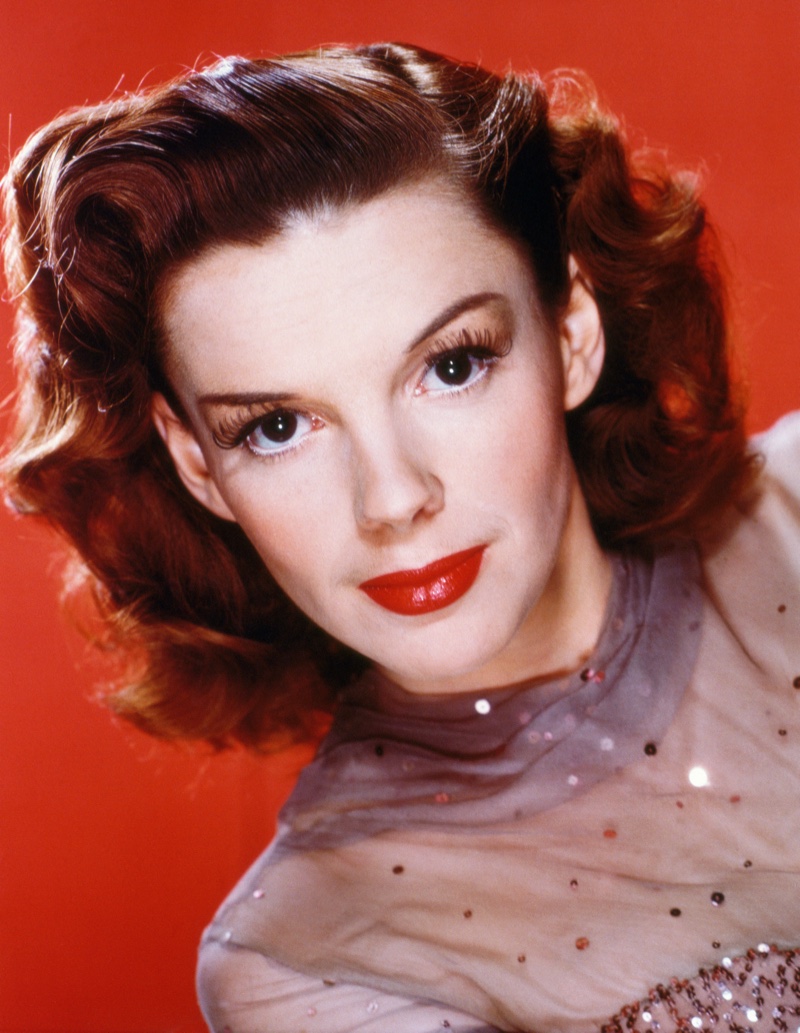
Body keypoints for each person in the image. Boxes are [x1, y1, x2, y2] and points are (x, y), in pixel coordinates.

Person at [2, 41, 799, 1033]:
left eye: (452, 365)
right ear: (198, 460)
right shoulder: (303, 964)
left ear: (569, 334)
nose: (390, 498)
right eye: (277, 427)